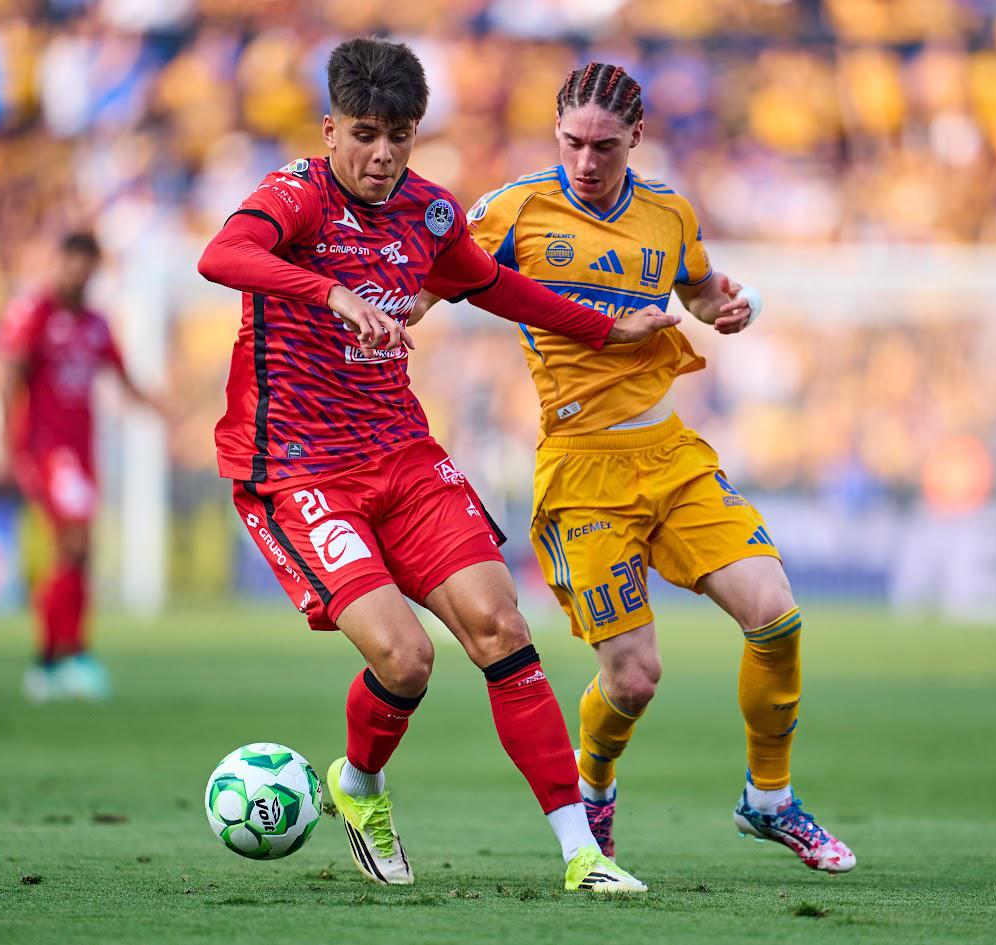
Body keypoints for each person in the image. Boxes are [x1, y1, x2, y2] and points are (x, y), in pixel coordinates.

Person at [196, 38, 677, 893]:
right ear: (330, 127)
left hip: (403, 456)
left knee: (502, 628)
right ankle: (360, 786)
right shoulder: (294, 198)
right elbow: (221, 256)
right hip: (298, 469)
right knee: (407, 659)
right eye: (367, 134)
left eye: (401, 136)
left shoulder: (428, 212)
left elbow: (491, 284)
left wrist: (608, 328)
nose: (383, 155)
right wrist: (330, 290)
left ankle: (582, 853)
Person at [418, 62, 856, 873]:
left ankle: (768, 801)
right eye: (571, 143)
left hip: (671, 452)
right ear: (555, 134)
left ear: (636, 139)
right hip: (582, 469)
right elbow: (435, 278)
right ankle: (593, 787)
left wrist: (726, 307)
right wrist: (389, 311)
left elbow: (699, 290)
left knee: (775, 613)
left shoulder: (668, 214)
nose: (586, 161)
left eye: (604, 146)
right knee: (634, 678)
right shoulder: (511, 210)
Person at [0, 232, 162, 703]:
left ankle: (54, 660)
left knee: (78, 553)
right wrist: (11, 447)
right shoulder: (35, 313)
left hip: (82, 450)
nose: (80, 272)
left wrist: (162, 408)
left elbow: (123, 379)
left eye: (88, 264)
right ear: (60, 262)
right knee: (74, 542)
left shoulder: (95, 323)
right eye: (73, 262)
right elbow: (11, 376)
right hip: (49, 450)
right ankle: (64, 657)